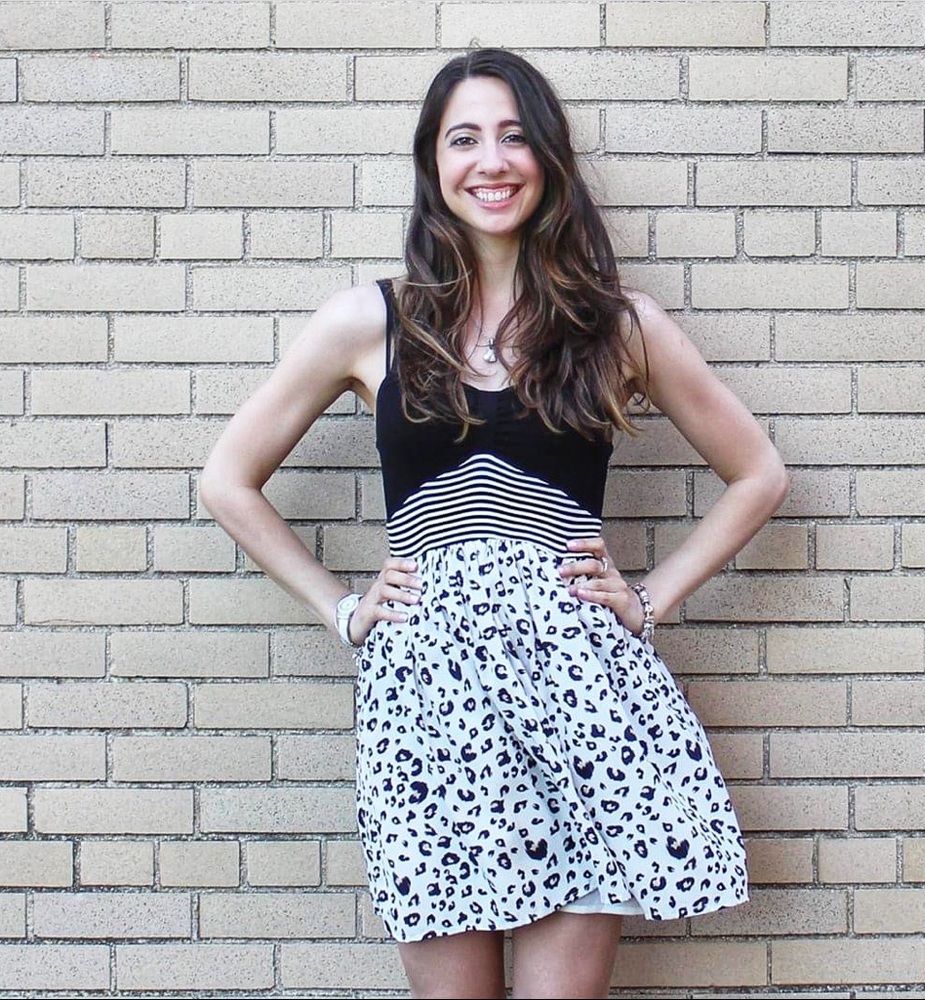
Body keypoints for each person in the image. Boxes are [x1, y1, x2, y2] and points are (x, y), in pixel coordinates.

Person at [200, 48, 788, 1000]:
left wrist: (647, 598)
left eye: (515, 135)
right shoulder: (368, 322)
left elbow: (757, 472)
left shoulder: (615, 326)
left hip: (584, 704)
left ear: (548, 158)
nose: (492, 159)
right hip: (430, 702)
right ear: (434, 165)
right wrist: (340, 608)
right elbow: (229, 479)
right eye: (463, 138)